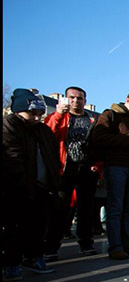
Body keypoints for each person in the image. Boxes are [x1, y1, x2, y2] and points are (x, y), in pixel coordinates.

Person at [2, 89, 59, 280]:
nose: (36, 118)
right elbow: (12, 155)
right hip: (19, 185)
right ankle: (11, 262)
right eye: (32, 114)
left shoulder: (42, 130)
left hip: (42, 185)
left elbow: (52, 155)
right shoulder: (10, 125)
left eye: (39, 114)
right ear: (19, 111)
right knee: (15, 226)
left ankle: (34, 257)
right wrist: (21, 181)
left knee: (38, 224)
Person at [92, 88, 129, 260]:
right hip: (116, 166)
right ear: (127, 100)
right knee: (116, 207)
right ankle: (116, 246)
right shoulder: (110, 115)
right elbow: (99, 137)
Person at [43, 86, 99, 259]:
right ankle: (51, 246)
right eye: (72, 98)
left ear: (85, 101)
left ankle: (86, 243)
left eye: (79, 98)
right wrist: (59, 113)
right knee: (59, 208)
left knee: (86, 209)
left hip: (87, 168)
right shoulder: (58, 117)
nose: (75, 101)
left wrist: (98, 164)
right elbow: (48, 134)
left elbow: (98, 144)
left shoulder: (91, 120)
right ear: (65, 100)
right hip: (65, 168)